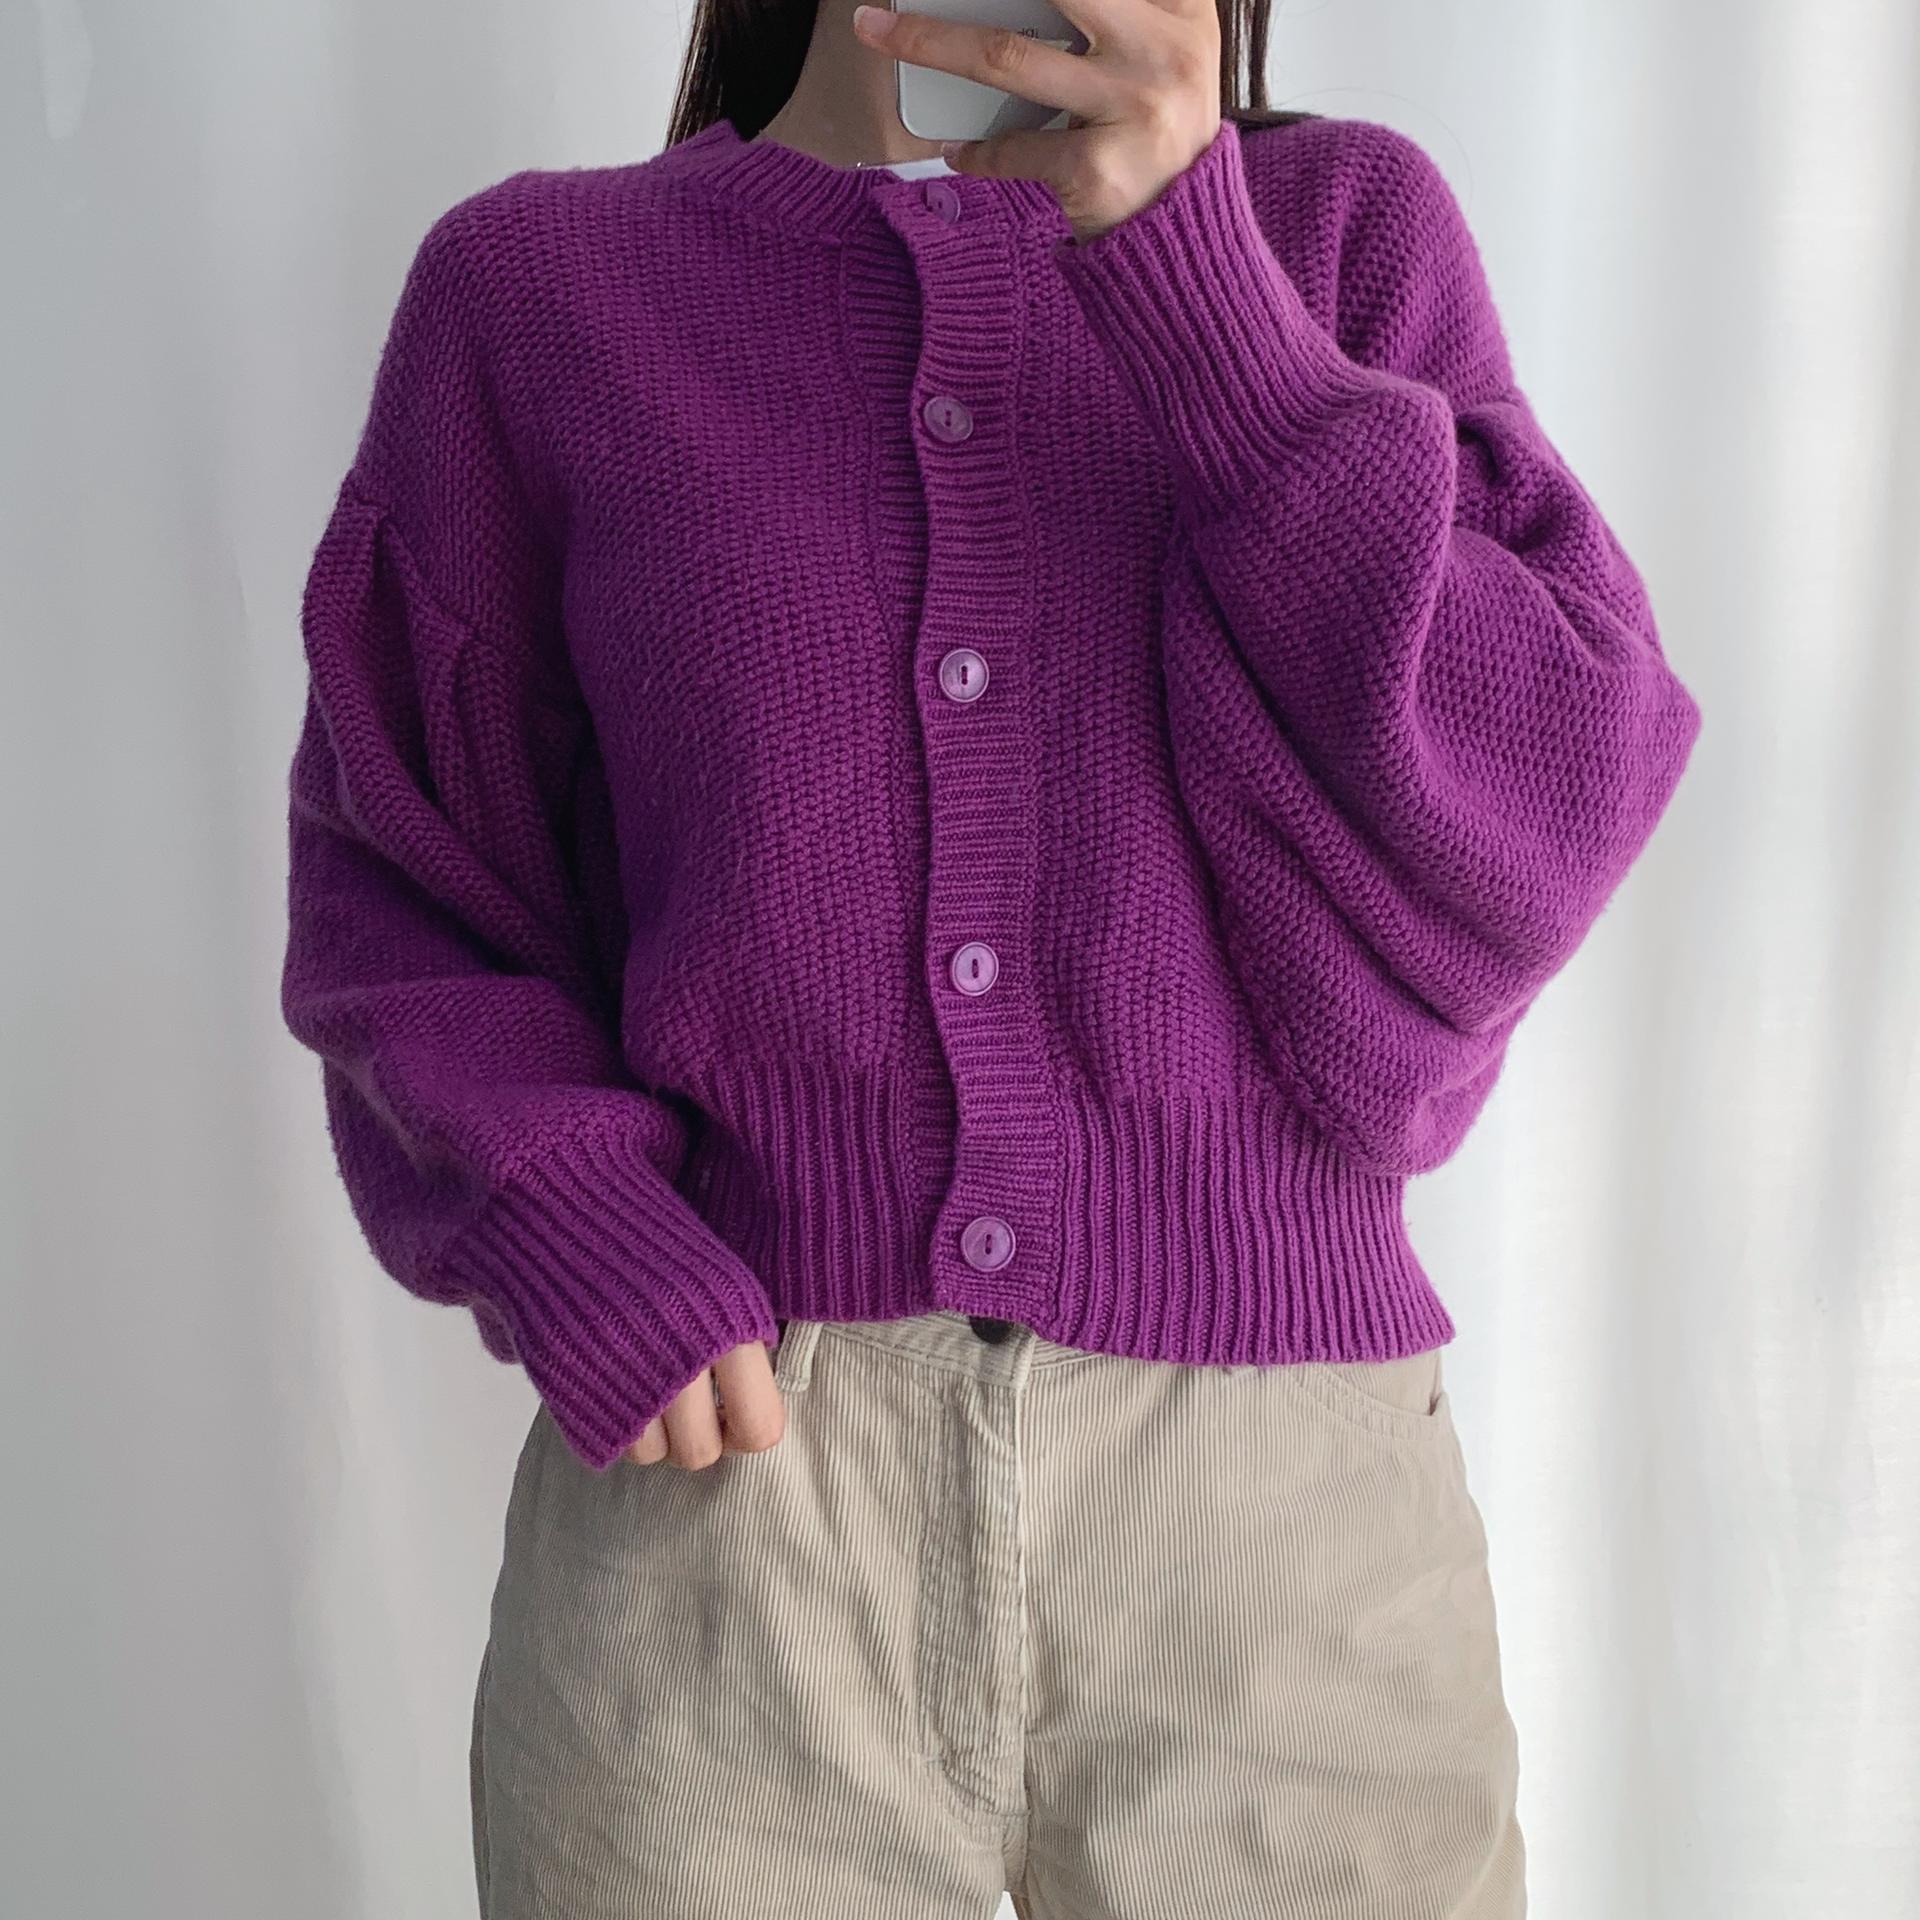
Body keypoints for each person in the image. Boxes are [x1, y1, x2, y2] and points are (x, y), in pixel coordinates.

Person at [279, 0, 1703, 1911]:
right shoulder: (539, 293)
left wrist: (1205, 293)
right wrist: (574, 1222)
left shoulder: (1340, 238)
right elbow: (406, 875)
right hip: (734, 1527)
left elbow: (1543, 807)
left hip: (1275, 1529)